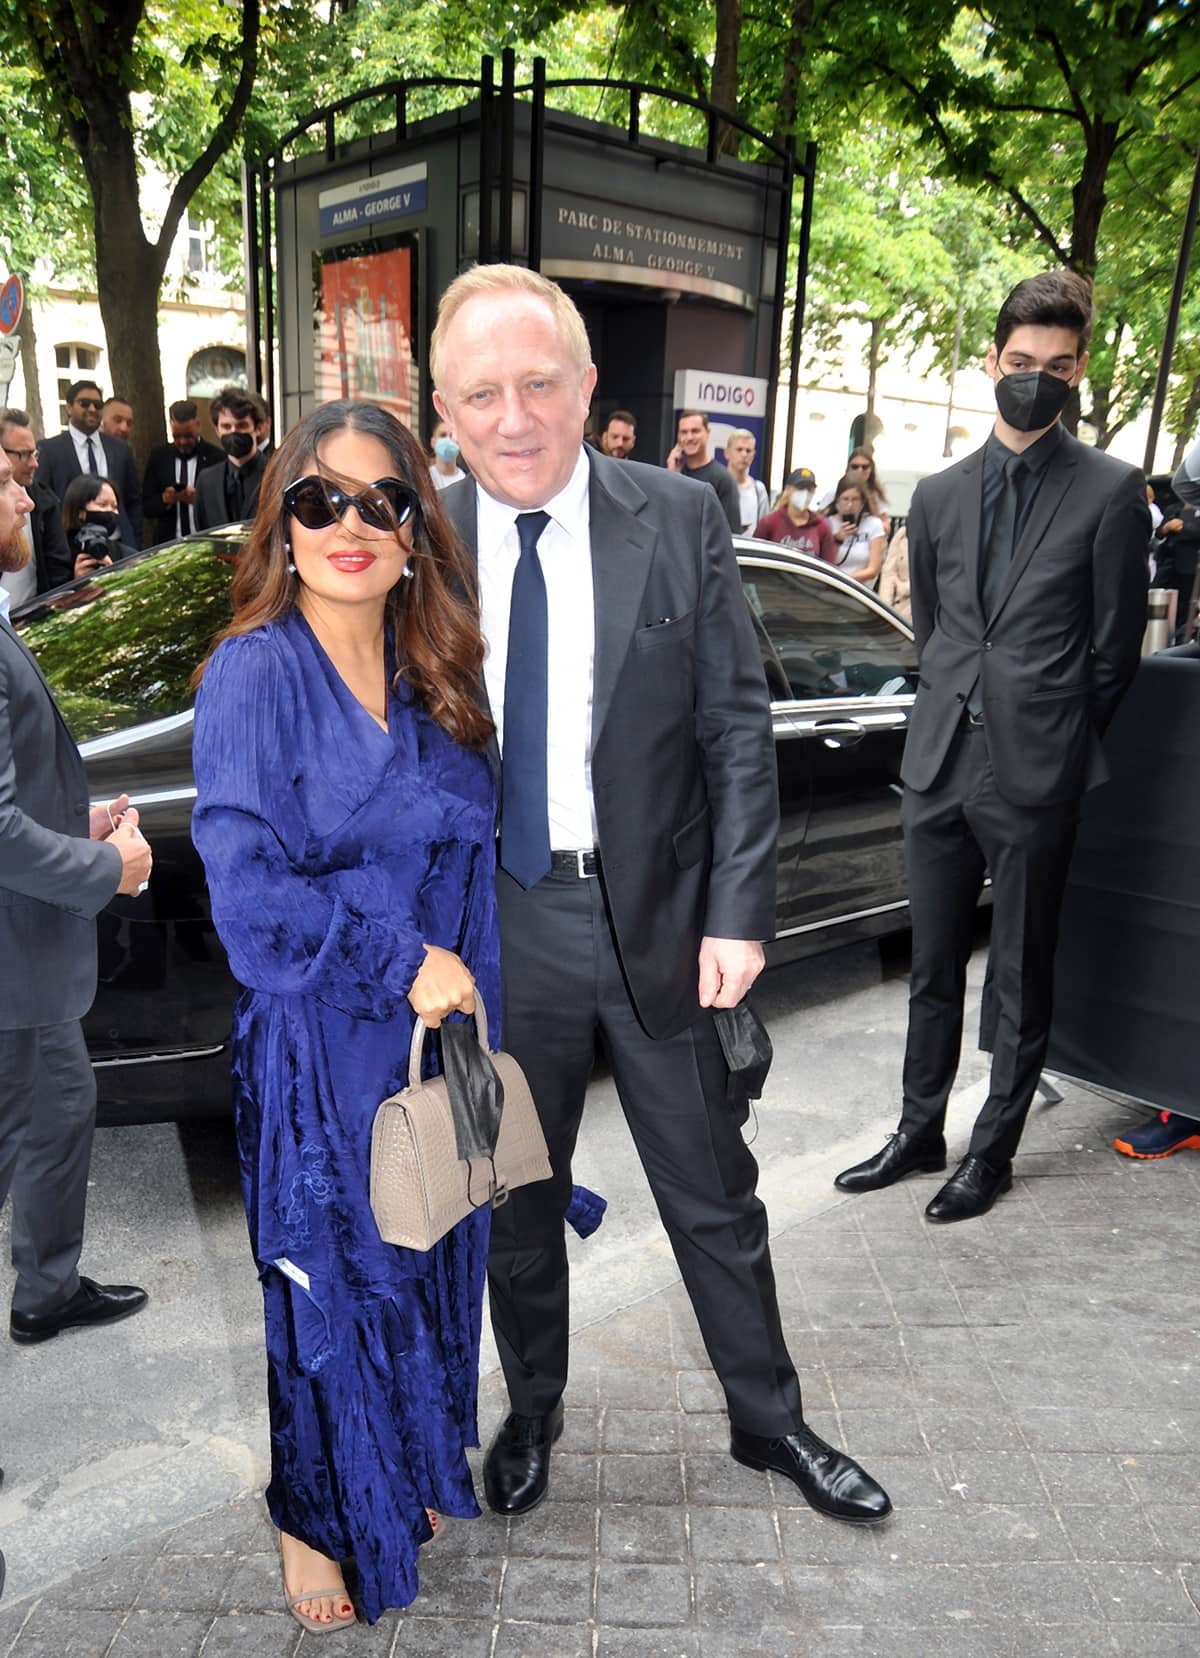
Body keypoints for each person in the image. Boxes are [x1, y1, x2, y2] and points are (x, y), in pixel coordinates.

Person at [432, 263, 890, 1527]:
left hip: (663, 928)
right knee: (511, 1194)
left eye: (537, 383)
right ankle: (533, 1407)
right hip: (493, 937)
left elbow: (736, 726)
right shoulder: (417, 539)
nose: (513, 417)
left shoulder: (677, 515)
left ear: (586, 386)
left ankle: (769, 1417)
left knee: (711, 1191)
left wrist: (741, 909)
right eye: (482, 393)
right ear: (445, 408)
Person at [191, 399, 496, 1629]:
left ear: (418, 528)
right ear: (283, 522)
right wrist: (399, 960)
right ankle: (309, 1514)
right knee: (327, 1286)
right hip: (320, 1034)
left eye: (382, 500)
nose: (350, 523)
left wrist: (471, 1001)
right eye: (321, 499)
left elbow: (467, 866)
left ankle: (402, 1462)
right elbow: (251, 897)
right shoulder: (256, 670)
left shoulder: (439, 679)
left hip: (429, 1041)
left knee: (421, 1269)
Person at [835, 270, 1149, 1223]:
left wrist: (1052, 736)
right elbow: (937, 631)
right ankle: (918, 1129)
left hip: (1038, 769)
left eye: (1057, 367)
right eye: (1021, 362)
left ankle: (993, 1150)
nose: (1036, 379)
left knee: (1019, 969)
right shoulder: (933, 494)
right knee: (929, 964)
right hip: (938, 761)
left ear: (1079, 371)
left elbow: (1113, 650)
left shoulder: (1111, 489)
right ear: (991, 361)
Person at [0, 443, 153, 1350]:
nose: (30, 494)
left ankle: (47, 1288)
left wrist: (80, 817)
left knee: (64, 1106)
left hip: (26, 963)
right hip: (13, 965)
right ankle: (46, 1287)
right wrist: (112, 870)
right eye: (10, 479)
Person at [36, 380, 142, 547]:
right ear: (69, 407)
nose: (92, 409)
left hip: (119, 544)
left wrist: (134, 540)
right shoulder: (49, 450)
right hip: (71, 545)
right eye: (84, 403)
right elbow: (43, 501)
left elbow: (133, 499)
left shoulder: (120, 449)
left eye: (98, 405)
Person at [0, 408, 72, 597]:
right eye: (24, 454)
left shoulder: (45, 501)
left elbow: (59, 572)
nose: (34, 463)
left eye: (35, 453)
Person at [142, 400, 224, 545]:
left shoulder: (216, 457)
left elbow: (223, 508)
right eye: (176, 436)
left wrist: (199, 500)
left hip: (206, 542)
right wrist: (165, 499)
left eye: (188, 436)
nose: (182, 442)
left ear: (198, 425)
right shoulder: (159, 457)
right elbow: (146, 506)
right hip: (168, 544)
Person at [194, 386, 267, 530]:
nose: (233, 432)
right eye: (226, 426)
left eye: (241, 425)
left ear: (258, 428)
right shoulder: (206, 481)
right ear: (217, 430)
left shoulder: (276, 475)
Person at [666, 409, 741, 532]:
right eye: (684, 432)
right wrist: (672, 475)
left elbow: (732, 533)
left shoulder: (722, 479)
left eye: (695, 431)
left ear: (707, 433)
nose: (689, 437)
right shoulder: (674, 473)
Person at [61, 475, 139, 580]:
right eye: (102, 505)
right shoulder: (60, 554)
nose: (111, 512)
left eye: (114, 507)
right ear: (80, 512)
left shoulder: (127, 556)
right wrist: (77, 581)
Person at [753, 467, 836, 561]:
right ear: (788, 489)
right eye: (800, 488)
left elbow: (828, 564)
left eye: (809, 489)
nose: (805, 493)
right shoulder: (770, 523)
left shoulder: (821, 527)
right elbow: (756, 558)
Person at [826, 477, 887, 585]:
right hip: (831, 587)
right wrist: (837, 539)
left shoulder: (873, 524)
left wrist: (844, 579)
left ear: (862, 502)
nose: (849, 505)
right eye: (845, 499)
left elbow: (873, 569)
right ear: (837, 501)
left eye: (855, 499)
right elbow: (825, 562)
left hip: (859, 590)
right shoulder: (827, 524)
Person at [818, 447, 890, 535]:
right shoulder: (834, 493)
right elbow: (819, 520)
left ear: (871, 469)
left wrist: (873, 526)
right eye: (855, 467)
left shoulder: (875, 495)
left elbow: (886, 525)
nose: (860, 470)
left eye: (865, 467)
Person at [725, 427, 769, 533]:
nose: (744, 454)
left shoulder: (759, 489)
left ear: (753, 455)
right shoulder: (716, 485)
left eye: (748, 451)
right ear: (727, 453)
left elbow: (764, 528)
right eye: (739, 449)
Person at [877, 523, 911, 620]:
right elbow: (888, 573)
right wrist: (884, 610)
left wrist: (905, 588)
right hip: (899, 611)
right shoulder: (902, 534)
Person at [428, 419, 466, 491]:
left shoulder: (465, 480)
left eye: (451, 435)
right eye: (443, 435)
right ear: (433, 442)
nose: (448, 439)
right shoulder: (425, 479)